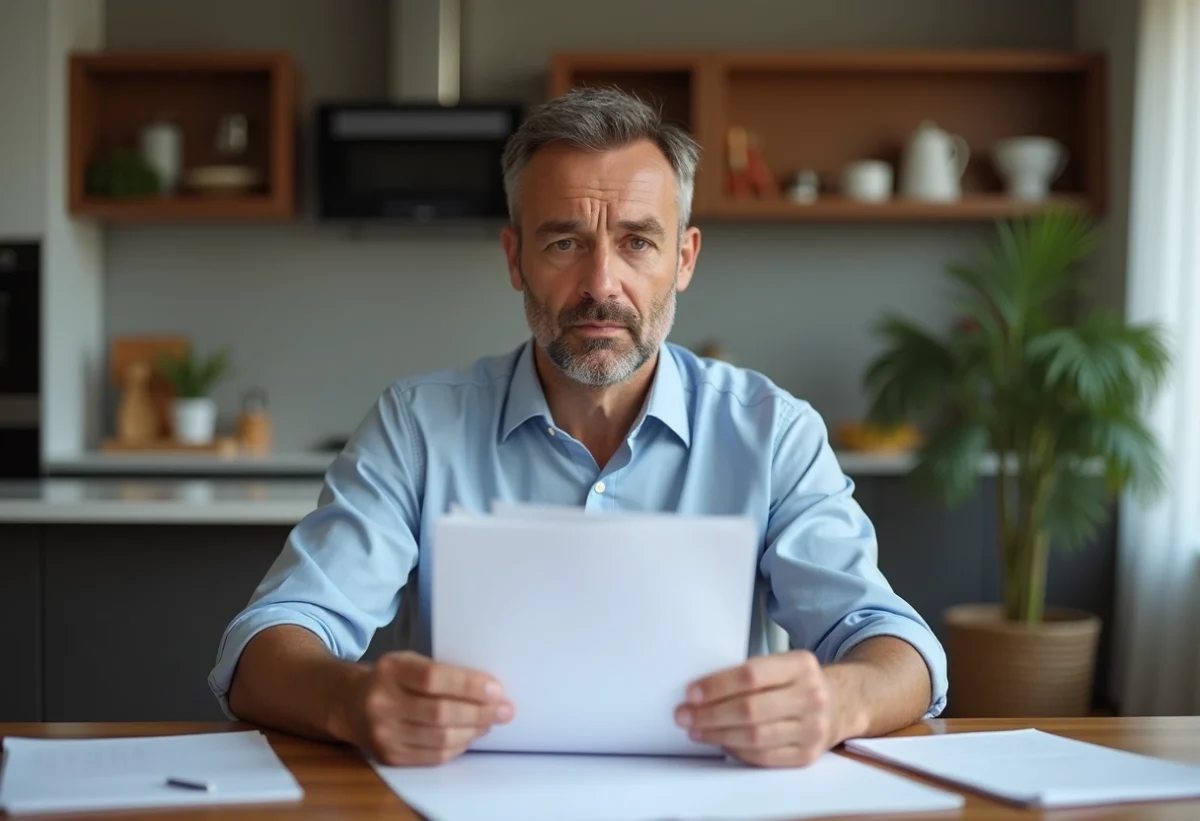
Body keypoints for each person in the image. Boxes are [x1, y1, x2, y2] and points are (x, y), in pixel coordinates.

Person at [210, 87, 947, 769]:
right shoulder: (418, 426)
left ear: (683, 259)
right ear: (515, 258)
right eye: (565, 242)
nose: (601, 284)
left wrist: (836, 702)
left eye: (636, 242)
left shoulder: (773, 432)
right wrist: (352, 701)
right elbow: (262, 649)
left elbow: (899, 648)